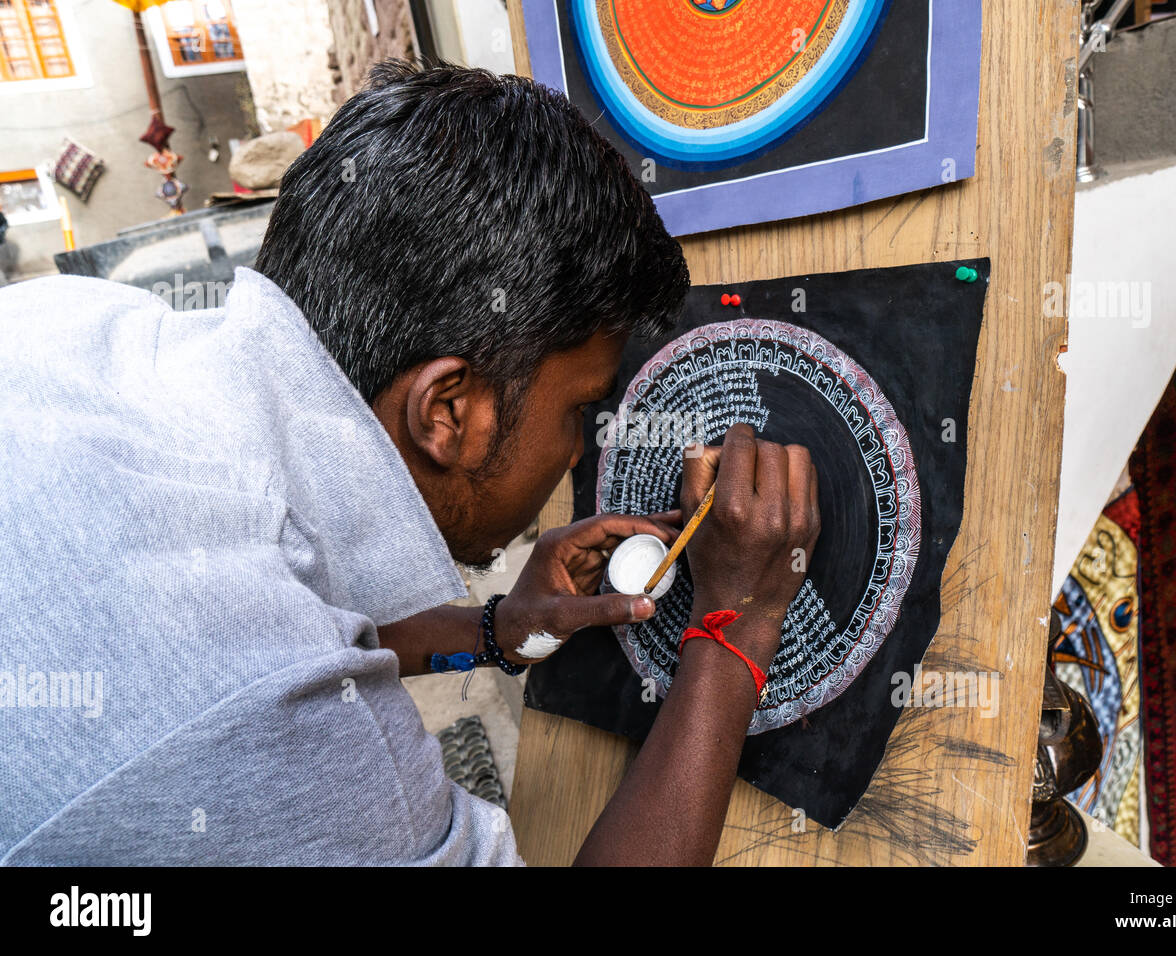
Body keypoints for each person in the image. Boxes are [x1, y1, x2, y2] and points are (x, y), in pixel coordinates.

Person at [0, 59, 819, 866]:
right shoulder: (303, 759)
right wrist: (737, 623)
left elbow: (258, 619)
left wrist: (492, 634)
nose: (578, 450)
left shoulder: (64, 319)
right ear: (447, 411)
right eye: (577, 409)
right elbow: (247, 682)